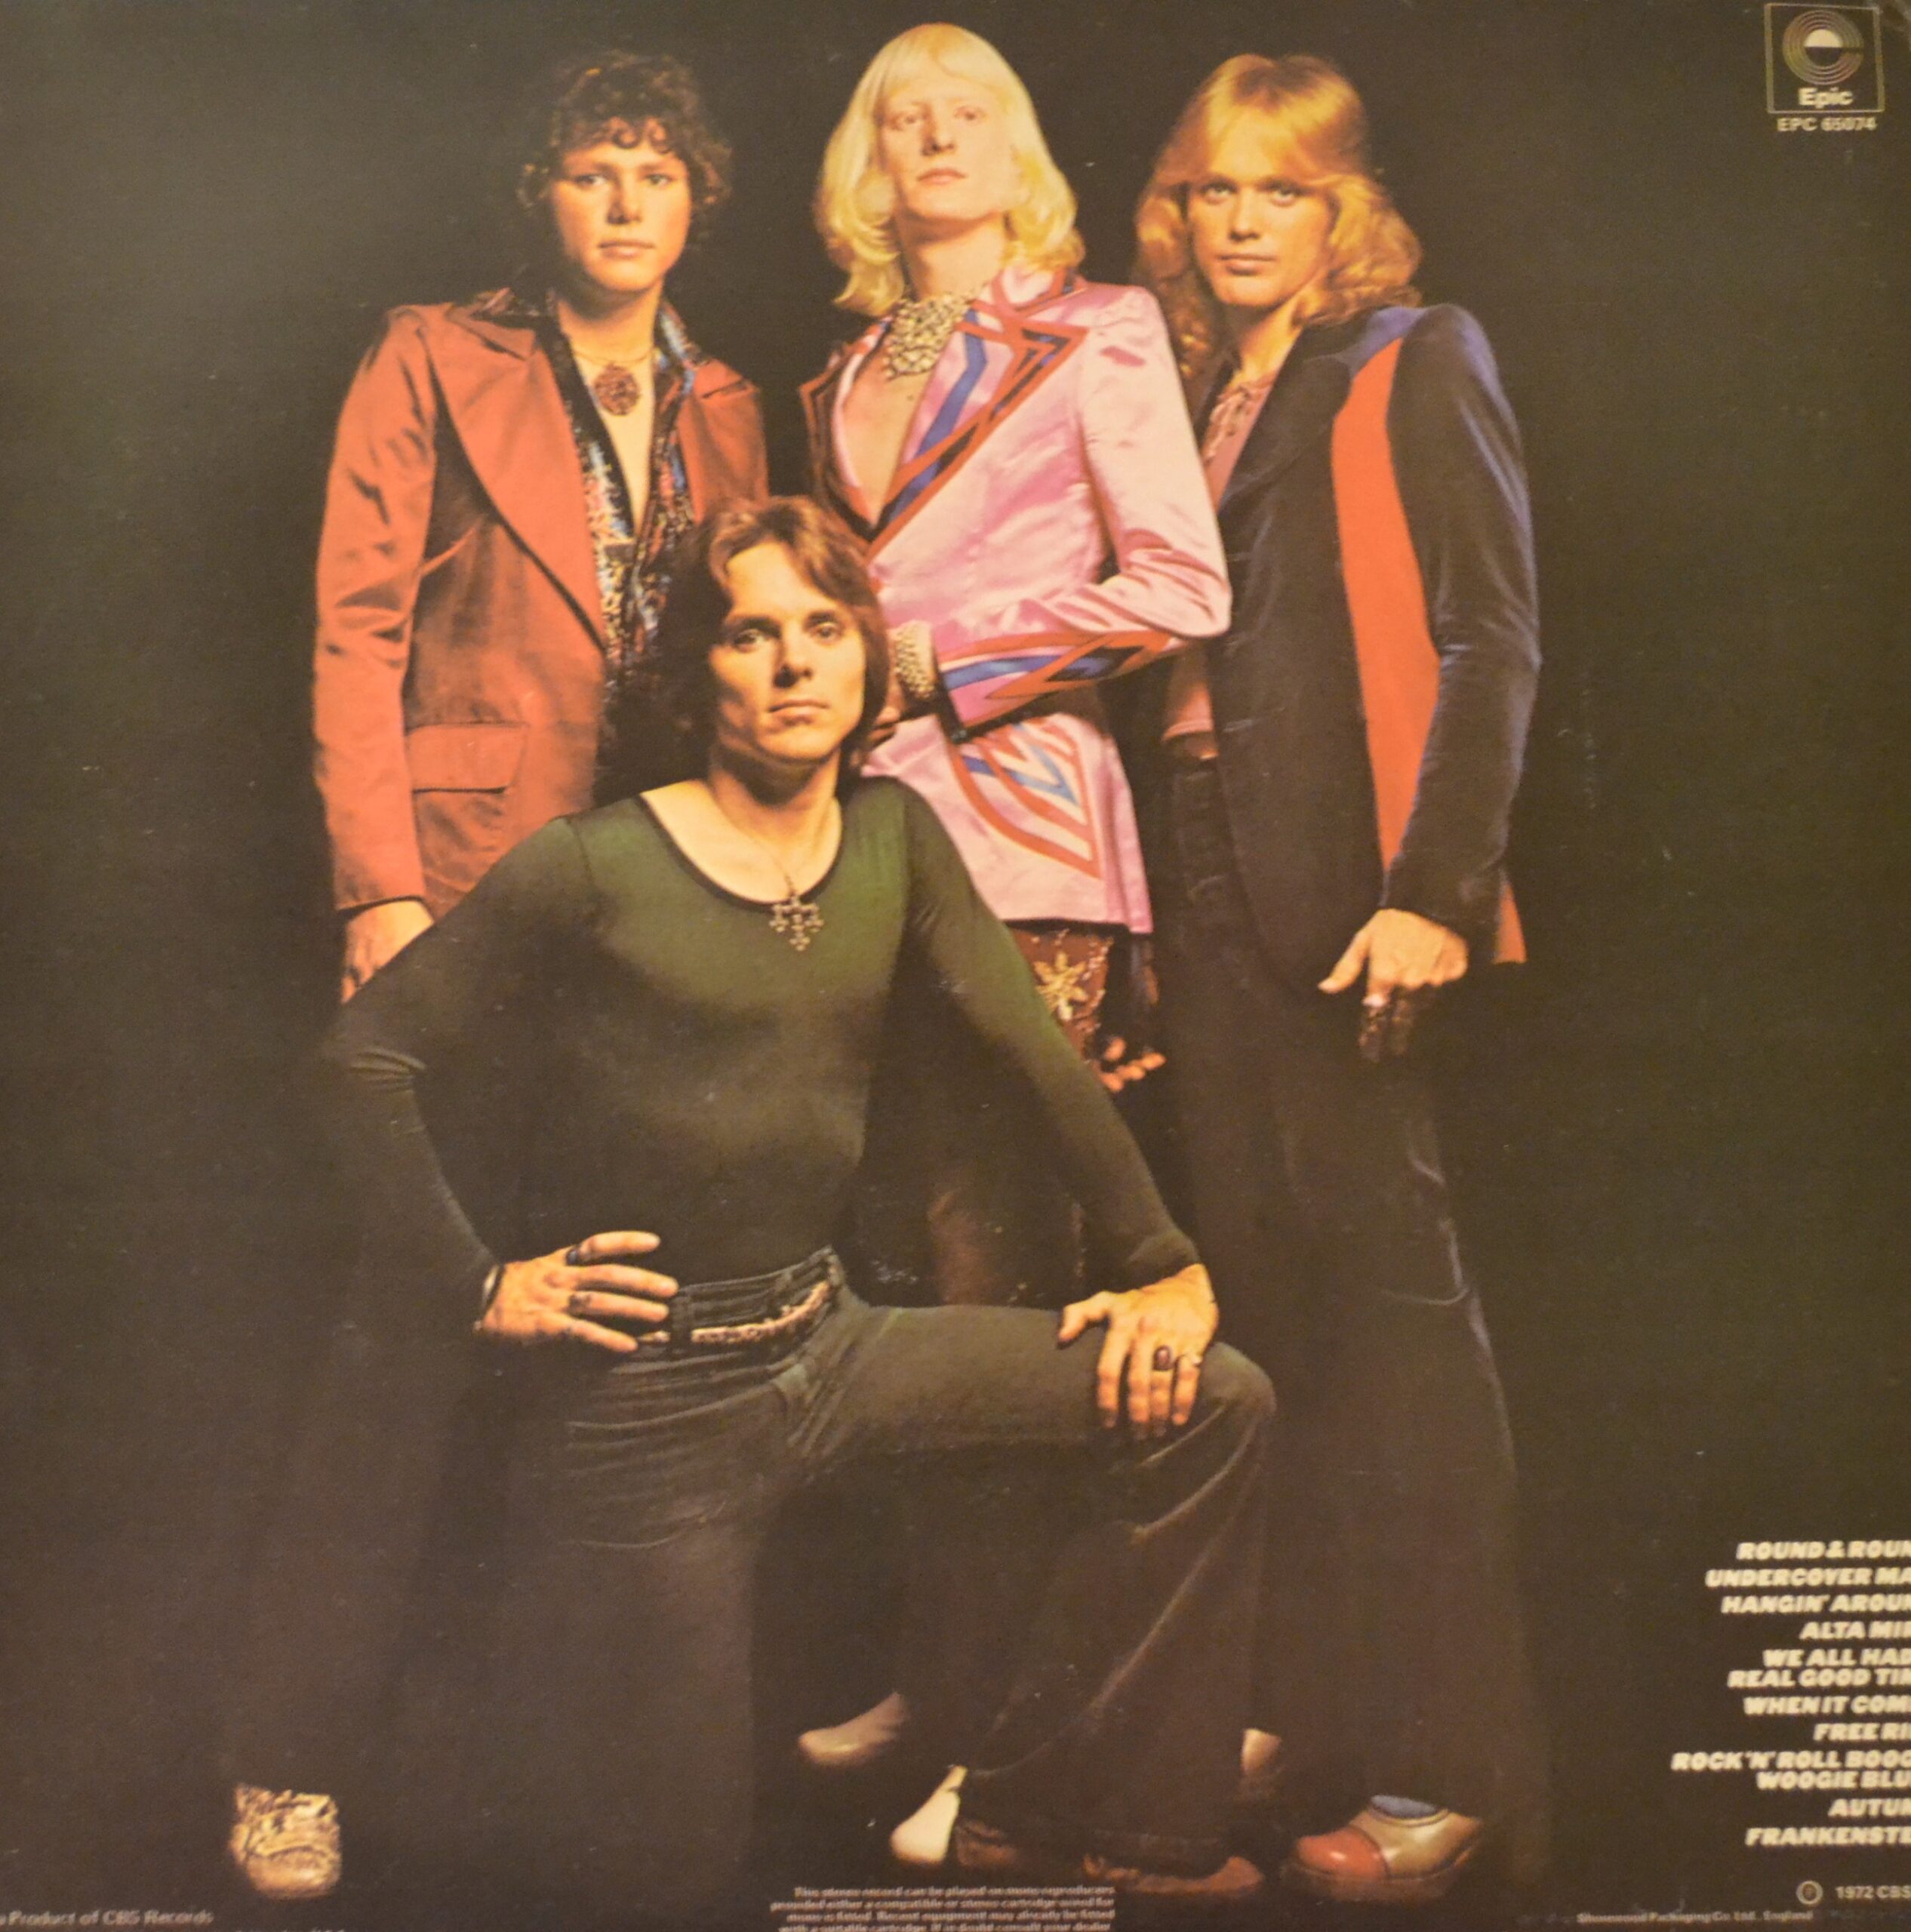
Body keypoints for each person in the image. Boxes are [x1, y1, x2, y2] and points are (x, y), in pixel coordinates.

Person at [224, 498, 1272, 1919]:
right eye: (750, 633)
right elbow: (362, 1063)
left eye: (825, 629)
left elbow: (1030, 1051)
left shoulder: (895, 835)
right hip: (646, 1411)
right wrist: (480, 1284)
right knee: (676, 1866)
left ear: (869, 660)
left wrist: (1163, 1261)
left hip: (830, 1346)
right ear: (695, 674)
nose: (793, 664)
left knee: (1215, 1400)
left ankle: (1042, 1811)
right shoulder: (592, 863)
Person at [794, 22, 1230, 1842]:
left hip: (1029, 840)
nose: (935, 135)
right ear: (865, 165)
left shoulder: (1102, 328)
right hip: (858, 847)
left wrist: (942, 658)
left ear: (1019, 144)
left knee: (1009, 1279)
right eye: (902, 116)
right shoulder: (834, 372)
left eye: (967, 109)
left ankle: (1023, 1744)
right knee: (906, 1278)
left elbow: (1182, 582)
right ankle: (947, 1672)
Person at [1131, 54, 1546, 1905]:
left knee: (1400, 1347)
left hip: (1347, 892)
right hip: (1195, 879)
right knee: (1269, 1331)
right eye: (1212, 188)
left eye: (1280, 191)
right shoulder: (1180, 385)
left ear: (1341, 211)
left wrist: (1434, 890)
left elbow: (1490, 634)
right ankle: (1307, 1721)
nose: (1239, 221)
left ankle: (1450, 1771)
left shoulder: (1411, 354)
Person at [315, 48, 766, 1000]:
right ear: (540, 191)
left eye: (658, 177)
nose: (627, 207)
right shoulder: (430, 352)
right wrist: (379, 889)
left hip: (675, 862)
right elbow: (357, 633)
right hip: (471, 852)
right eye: (592, 176)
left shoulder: (726, 404)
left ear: (696, 198)